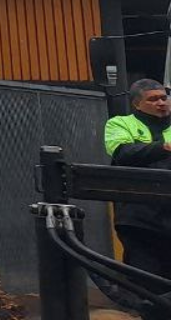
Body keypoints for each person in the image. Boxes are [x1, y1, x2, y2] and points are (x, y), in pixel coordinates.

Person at [104, 78, 171, 316]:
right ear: (137, 104)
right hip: (139, 220)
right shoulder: (120, 124)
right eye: (153, 99)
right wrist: (163, 148)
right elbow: (123, 153)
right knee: (147, 284)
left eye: (164, 97)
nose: (161, 103)